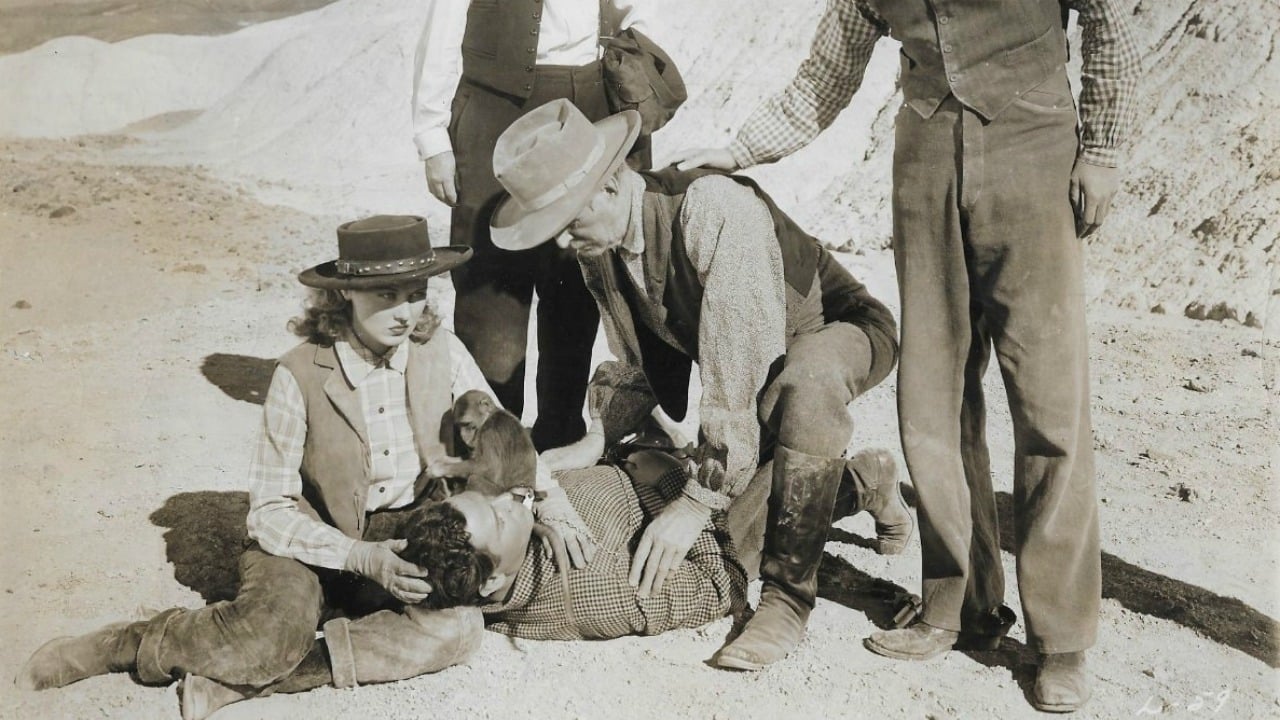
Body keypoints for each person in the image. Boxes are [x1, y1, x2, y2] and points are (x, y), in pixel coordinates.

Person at [671, 0, 1140, 712]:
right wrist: (739, 151)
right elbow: (827, 72)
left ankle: (1062, 640)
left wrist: (1101, 151)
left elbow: (1109, 26)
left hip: (1035, 147)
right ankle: (958, 605)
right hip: (924, 161)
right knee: (934, 400)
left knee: (1049, 403)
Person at [16, 215, 584, 707]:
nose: (404, 311)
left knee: (457, 630)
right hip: (314, 540)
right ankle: (129, 644)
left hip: (409, 531)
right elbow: (267, 511)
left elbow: (506, 441)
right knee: (265, 639)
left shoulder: (444, 350)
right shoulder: (298, 374)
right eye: (385, 294)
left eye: (414, 293)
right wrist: (359, 557)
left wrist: (546, 504)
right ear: (343, 296)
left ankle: (250, 687)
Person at [486, 98, 908, 672]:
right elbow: (638, 361)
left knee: (797, 401)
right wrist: (598, 432)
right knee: (733, 523)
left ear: (609, 187)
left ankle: (787, 600)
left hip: (836, 330)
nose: (561, 243)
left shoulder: (713, 210)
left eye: (567, 222)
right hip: (759, 363)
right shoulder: (599, 245)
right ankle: (862, 481)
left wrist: (695, 501)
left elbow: (742, 377)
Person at [166, 453, 750, 719]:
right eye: (498, 510)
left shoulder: (567, 577)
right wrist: (668, 484)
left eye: (502, 505)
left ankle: (248, 679)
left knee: (452, 630)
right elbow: (720, 582)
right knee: (447, 628)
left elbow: (618, 461)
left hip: (710, 489)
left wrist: (656, 479)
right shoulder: (597, 590)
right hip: (711, 500)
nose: (513, 497)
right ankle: (257, 650)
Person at [412, 0, 658, 451]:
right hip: (492, 109)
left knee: (575, 283)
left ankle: (558, 438)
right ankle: (487, 451)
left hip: (584, 101)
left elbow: (638, 10)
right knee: (491, 291)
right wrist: (432, 137)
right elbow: (444, 19)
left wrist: (630, 67)